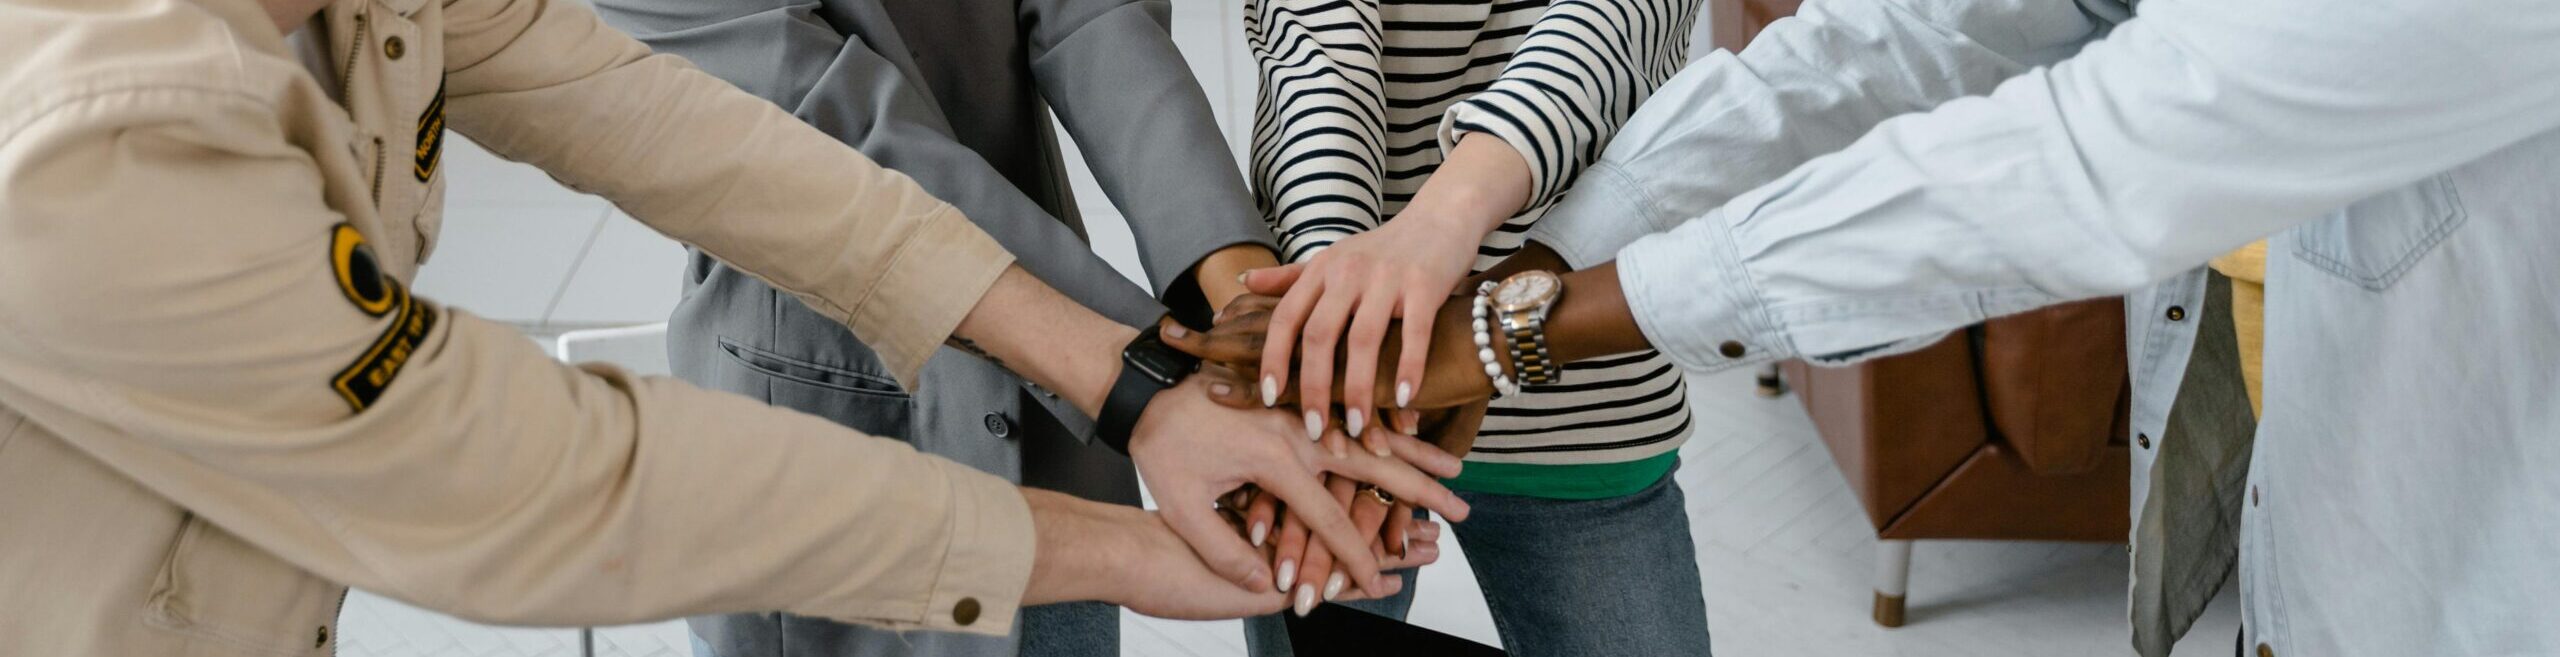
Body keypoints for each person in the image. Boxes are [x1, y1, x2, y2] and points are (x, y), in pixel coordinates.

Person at [0, 0, 1474, 654]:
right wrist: (1139, 545)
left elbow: (716, 147)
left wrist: (1145, 380)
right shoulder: (96, 123)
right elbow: (533, 486)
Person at [1183, 0, 2560, 654]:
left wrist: (1499, 317)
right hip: (2318, 553)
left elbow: (2085, 161)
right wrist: (1379, 308)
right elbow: (1901, 37)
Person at [579, 0, 1310, 654]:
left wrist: (1240, 302)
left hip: (1056, 442)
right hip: (837, 428)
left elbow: (1096, 16)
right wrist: (1148, 378)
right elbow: (839, 139)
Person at [1230, 0, 1711, 654]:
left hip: (1582, 384)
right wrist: (1343, 328)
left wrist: (1443, 233)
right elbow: (1316, 55)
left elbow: (1614, 27)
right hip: (1338, 402)